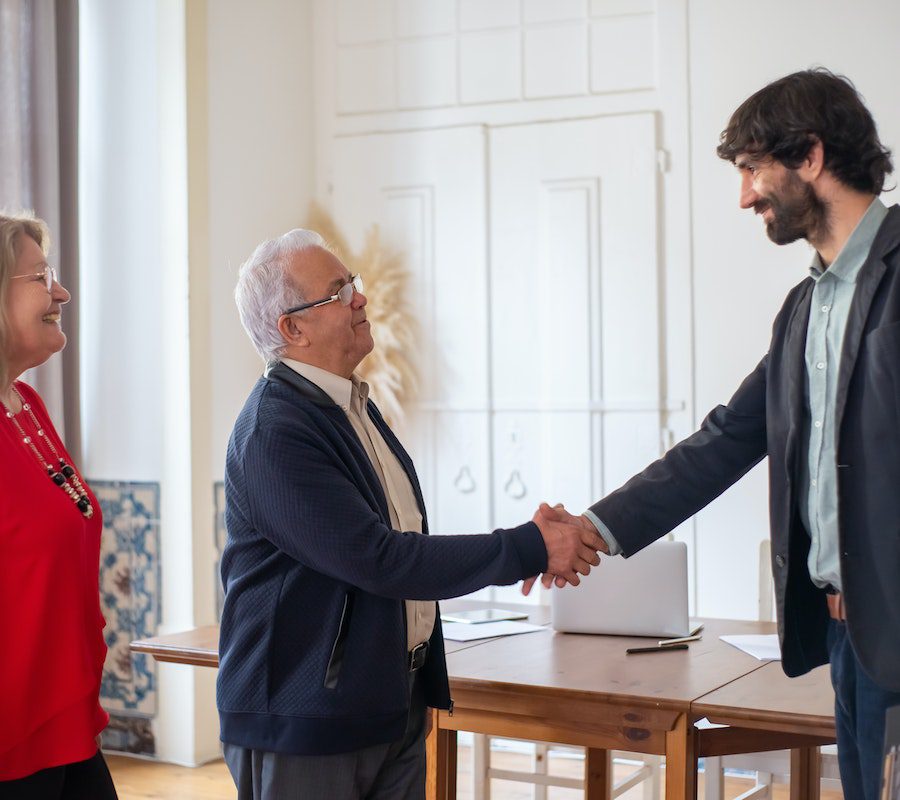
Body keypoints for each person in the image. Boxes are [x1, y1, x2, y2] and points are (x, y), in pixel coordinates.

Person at [535, 67, 899, 800]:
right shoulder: (805, 307)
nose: (745, 196)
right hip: (850, 636)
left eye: (751, 169)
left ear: (810, 157)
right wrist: (594, 529)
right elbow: (728, 438)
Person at [218, 228, 605, 800]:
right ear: (292, 328)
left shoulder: (349, 405)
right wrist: (530, 545)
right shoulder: (276, 431)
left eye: (353, 283)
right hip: (306, 723)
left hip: (389, 700)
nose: (360, 298)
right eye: (338, 291)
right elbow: (381, 560)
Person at [0, 213, 117, 798]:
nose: (61, 291)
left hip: (68, 716)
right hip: (12, 736)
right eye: (39, 276)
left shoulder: (26, 405)